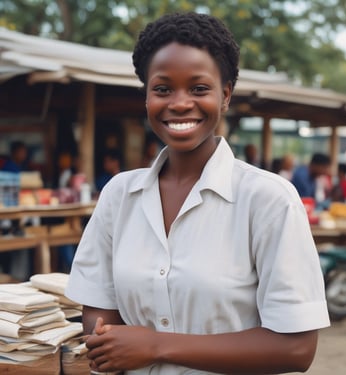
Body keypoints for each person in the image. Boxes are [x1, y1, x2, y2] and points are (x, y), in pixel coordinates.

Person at [65, 12, 329, 375]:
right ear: (146, 97)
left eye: (198, 88)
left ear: (225, 95)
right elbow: (98, 306)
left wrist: (156, 345)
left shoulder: (269, 200)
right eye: (162, 89)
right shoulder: (119, 195)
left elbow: (297, 348)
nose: (179, 103)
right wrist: (107, 337)